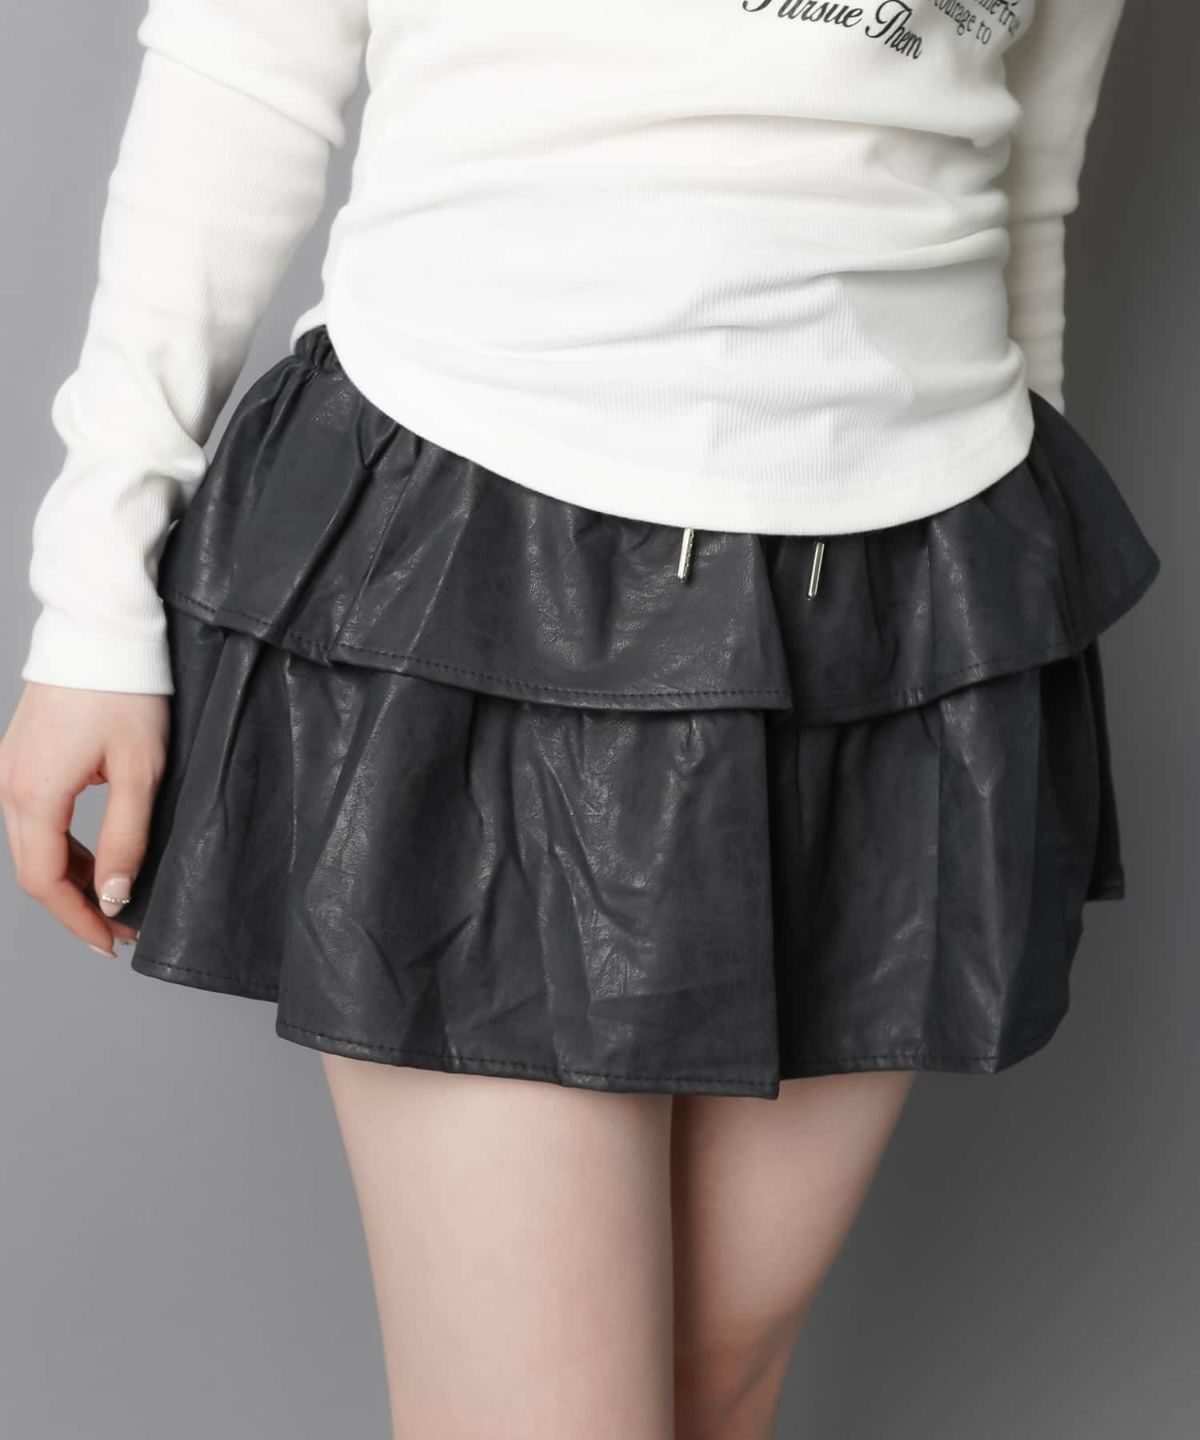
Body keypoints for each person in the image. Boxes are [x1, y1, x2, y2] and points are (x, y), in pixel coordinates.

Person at [0, 2, 1162, 1436]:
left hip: (918, 582)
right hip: (479, 548)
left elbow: (1027, 172)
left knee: (712, 1390)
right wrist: (93, 600)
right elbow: (243, 71)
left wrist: (1015, 609)